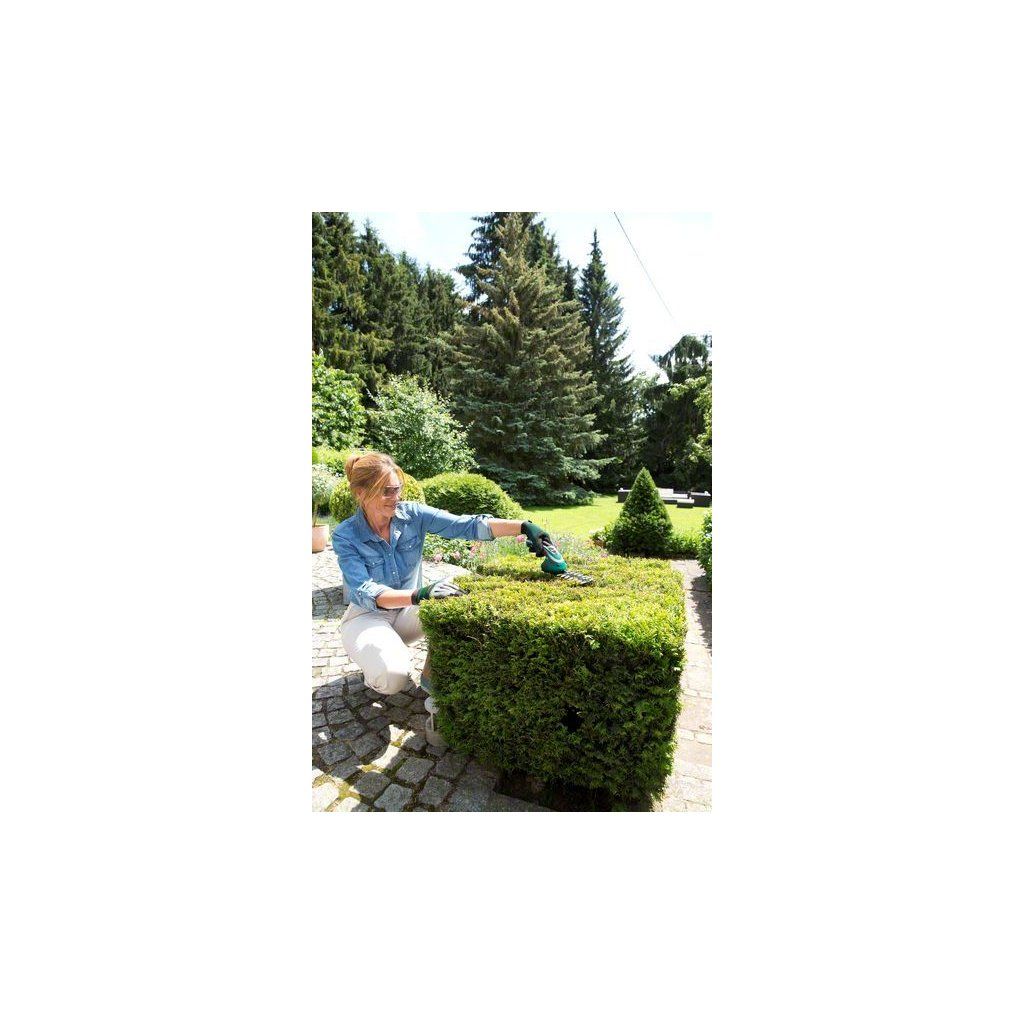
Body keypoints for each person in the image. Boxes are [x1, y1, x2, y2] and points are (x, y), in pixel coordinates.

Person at [331, 451, 552, 697]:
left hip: (406, 612)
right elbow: (365, 590)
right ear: (360, 493)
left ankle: (431, 677)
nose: (396, 497)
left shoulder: (412, 515)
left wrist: (523, 526)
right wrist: (420, 594)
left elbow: (465, 525)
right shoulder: (345, 535)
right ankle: (376, 666)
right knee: (393, 678)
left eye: (397, 489)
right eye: (386, 492)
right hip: (367, 617)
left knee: (458, 588)